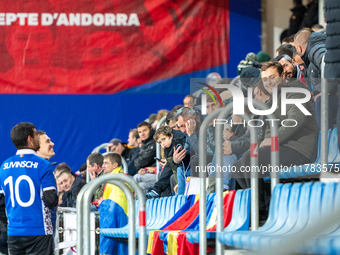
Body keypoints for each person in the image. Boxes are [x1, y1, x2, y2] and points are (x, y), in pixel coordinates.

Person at [232, 62, 318, 218]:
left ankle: (259, 211)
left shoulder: (295, 91)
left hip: (299, 148)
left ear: (283, 77)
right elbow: (263, 131)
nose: (268, 83)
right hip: (281, 147)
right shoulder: (272, 100)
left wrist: (272, 140)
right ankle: (266, 202)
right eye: (265, 80)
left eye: (272, 78)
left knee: (251, 159)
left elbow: (295, 120)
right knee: (238, 167)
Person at [0, 122, 58, 255]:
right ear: (29, 139)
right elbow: (50, 200)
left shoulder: (4, 166)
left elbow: (1, 203)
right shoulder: (43, 164)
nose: (38, 137)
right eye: (36, 134)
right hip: (39, 232)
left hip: (14, 233)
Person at [294, 30, 338, 129]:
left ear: (299, 48)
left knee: (321, 102)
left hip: (336, 95)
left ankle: (323, 142)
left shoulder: (315, 49)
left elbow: (331, 66)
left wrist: (327, 90)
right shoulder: (309, 57)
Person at [146, 125, 189, 198]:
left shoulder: (181, 140)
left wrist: (173, 161)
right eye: (160, 142)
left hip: (188, 172)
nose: (162, 143)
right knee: (164, 173)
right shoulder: (168, 149)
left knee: (171, 174)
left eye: (163, 139)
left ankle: (158, 191)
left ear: (171, 135)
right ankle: (158, 191)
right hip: (180, 173)